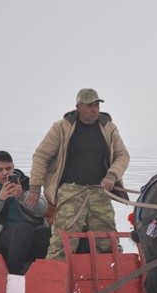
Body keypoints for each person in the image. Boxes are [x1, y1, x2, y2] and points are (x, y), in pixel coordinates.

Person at [25, 88, 130, 259]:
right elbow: (41, 156)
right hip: (70, 191)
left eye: (96, 104)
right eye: (89, 105)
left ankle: (112, 276)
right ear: (78, 107)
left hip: (99, 191)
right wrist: (35, 188)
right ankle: (55, 277)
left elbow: (122, 155)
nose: (94, 109)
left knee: (107, 240)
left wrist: (111, 175)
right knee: (63, 240)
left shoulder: (108, 127)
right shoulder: (61, 127)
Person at [0, 151, 51, 275]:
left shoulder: (26, 184)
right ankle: (13, 275)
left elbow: (43, 210)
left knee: (51, 233)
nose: (5, 173)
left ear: (13, 167)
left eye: (8, 168)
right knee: (23, 230)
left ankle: (45, 273)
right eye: (0, 170)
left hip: (27, 236)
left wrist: (23, 196)